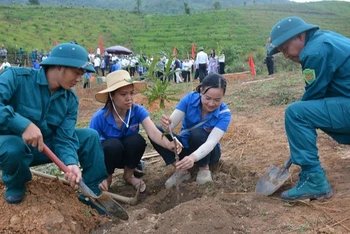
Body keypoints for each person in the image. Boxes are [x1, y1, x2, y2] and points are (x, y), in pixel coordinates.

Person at [0, 42, 109, 213]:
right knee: (13, 148)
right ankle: (16, 182)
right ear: (59, 66)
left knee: (90, 137)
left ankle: (91, 192)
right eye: (77, 72)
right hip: (11, 148)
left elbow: (64, 137)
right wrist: (22, 125)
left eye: (82, 74)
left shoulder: (70, 100)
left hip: (43, 148)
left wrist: (71, 162)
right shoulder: (15, 77)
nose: (79, 79)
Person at [268, 16, 350, 201]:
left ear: (299, 36)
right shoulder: (327, 38)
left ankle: (314, 181)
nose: (287, 56)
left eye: (285, 48)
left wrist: (297, 132)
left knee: (296, 113)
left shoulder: (313, 52)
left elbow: (313, 96)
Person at [89, 70, 180, 192]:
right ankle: (107, 179)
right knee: (112, 145)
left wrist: (168, 144)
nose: (129, 98)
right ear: (112, 96)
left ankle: (129, 175)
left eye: (131, 93)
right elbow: (91, 147)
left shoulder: (137, 111)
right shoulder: (99, 117)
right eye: (123, 94)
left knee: (137, 140)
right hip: (108, 158)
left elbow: (153, 132)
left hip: (129, 157)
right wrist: (96, 175)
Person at [150, 73, 231, 188]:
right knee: (156, 132)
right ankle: (181, 170)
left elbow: (211, 143)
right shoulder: (190, 99)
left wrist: (193, 157)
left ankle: (204, 169)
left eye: (217, 100)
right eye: (207, 98)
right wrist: (167, 126)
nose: (211, 103)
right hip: (186, 146)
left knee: (197, 133)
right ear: (201, 91)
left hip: (209, 153)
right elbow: (171, 127)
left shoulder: (224, 114)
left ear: (223, 96)